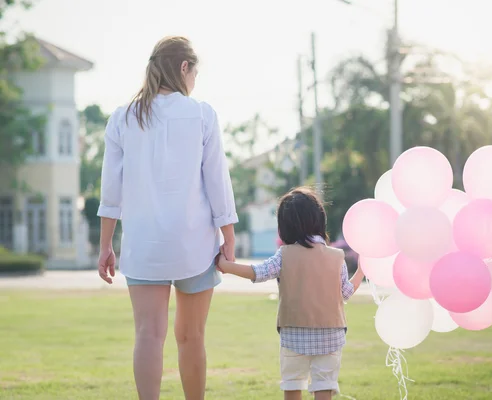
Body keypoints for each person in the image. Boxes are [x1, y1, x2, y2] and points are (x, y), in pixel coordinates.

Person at [96, 36, 238, 400]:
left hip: (144, 245)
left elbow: (111, 190)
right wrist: (229, 235)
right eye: (195, 74)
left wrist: (105, 246)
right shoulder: (203, 114)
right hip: (195, 243)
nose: (195, 83)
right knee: (192, 336)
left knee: (148, 335)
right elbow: (217, 180)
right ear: (184, 68)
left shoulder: (122, 117)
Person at [216, 187, 364, 400]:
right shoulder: (337, 257)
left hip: (294, 334)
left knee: (293, 385)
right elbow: (346, 293)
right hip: (331, 334)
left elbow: (258, 273)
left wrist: (226, 265)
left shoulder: (284, 255)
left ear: (284, 226)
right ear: (319, 220)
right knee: (324, 387)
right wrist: (360, 272)